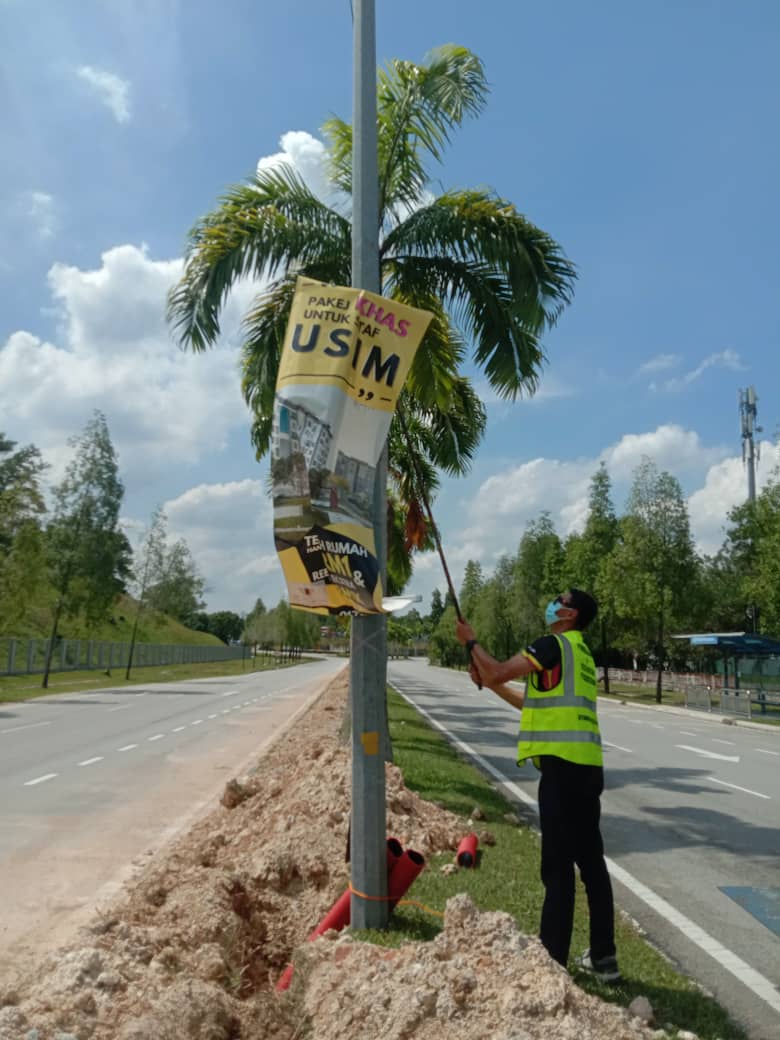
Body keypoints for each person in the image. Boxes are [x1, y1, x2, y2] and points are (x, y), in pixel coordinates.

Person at [455, 588, 620, 983]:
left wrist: (472, 642)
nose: (550, 603)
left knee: (558, 868)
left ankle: (551, 962)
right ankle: (604, 959)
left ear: (568, 612)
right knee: (592, 865)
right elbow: (531, 704)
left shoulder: (551, 645)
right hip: (587, 769)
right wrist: (490, 681)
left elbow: (495, 669)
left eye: (558, 600)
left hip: (561, 773)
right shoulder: (579, 653)